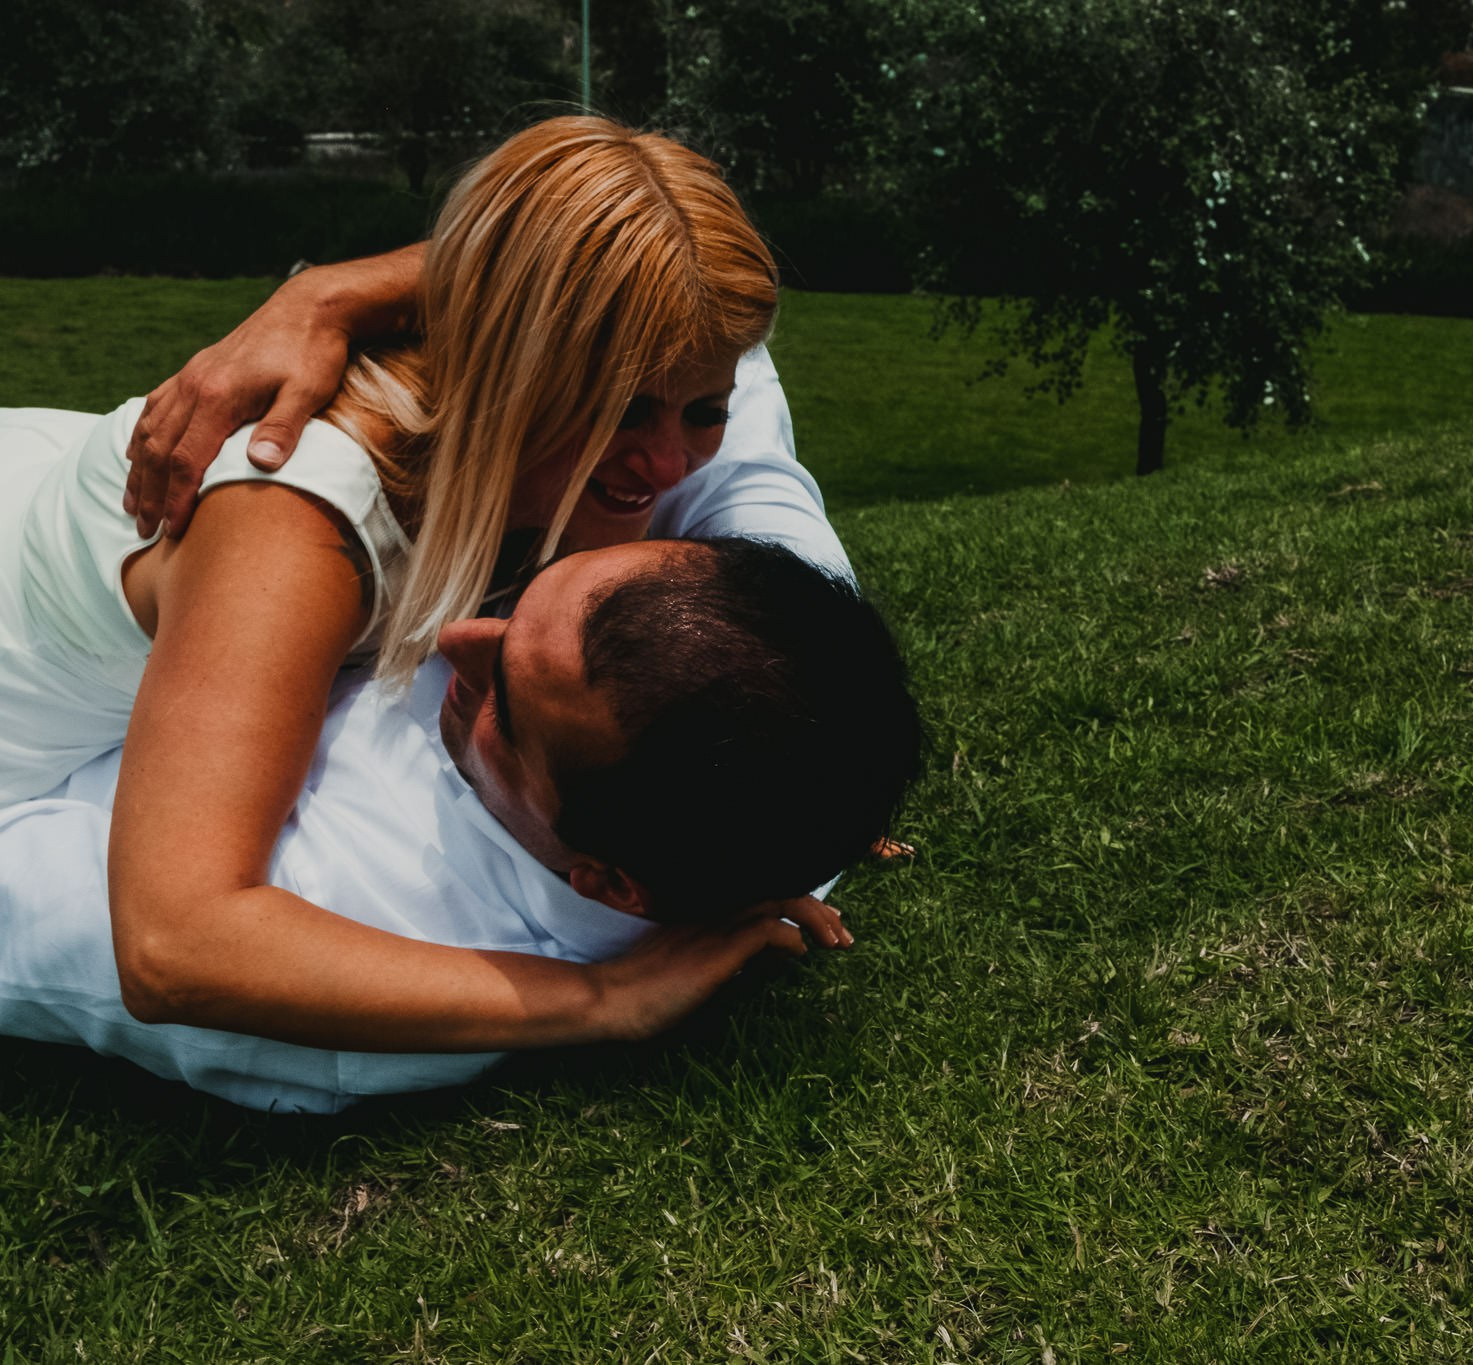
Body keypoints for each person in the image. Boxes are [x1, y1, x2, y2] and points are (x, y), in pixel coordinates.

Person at [0, 114, 803, 1053]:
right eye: (623, 411)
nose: (669, 464)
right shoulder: (298, 524)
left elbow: (522, 263)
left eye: (706, 414)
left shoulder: (522, 404)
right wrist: (602, 999)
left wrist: (328, 296)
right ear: (519, 369)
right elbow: (174, 944)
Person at [0, 536, 921, 1112]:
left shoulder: (359, 943)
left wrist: (602, 1005)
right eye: (512, 608)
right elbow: (739, 366)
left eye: (507, 706)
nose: (454, 641)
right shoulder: (807, 691)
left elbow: (47, 917)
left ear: (605, 881)